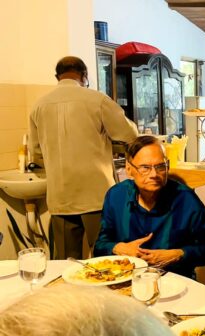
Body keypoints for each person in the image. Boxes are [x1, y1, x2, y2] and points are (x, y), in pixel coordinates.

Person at [29, 56, 138, 259]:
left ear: (57, 77)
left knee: (65, 261)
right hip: (96, 194)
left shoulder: (39, 105)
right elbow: (129, 134)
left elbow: (36, 152)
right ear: (84, 75)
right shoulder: (97, 100)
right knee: (105, 255)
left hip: (60, 195)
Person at [94, 136, 205, 278]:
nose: (154, 174)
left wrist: (178, 254)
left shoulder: (186, 200)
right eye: (145, 168)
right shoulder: (116, 196)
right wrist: (118, 248)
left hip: (175, 283)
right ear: (129, 169)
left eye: (160, 166)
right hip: (125, 281)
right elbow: (100, 246)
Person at [0, 284, 175, 336]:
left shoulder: (188, 204)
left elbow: (202, 246)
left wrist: (181, 253)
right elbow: (101, 243)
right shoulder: (116, 198)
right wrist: (116, 247)